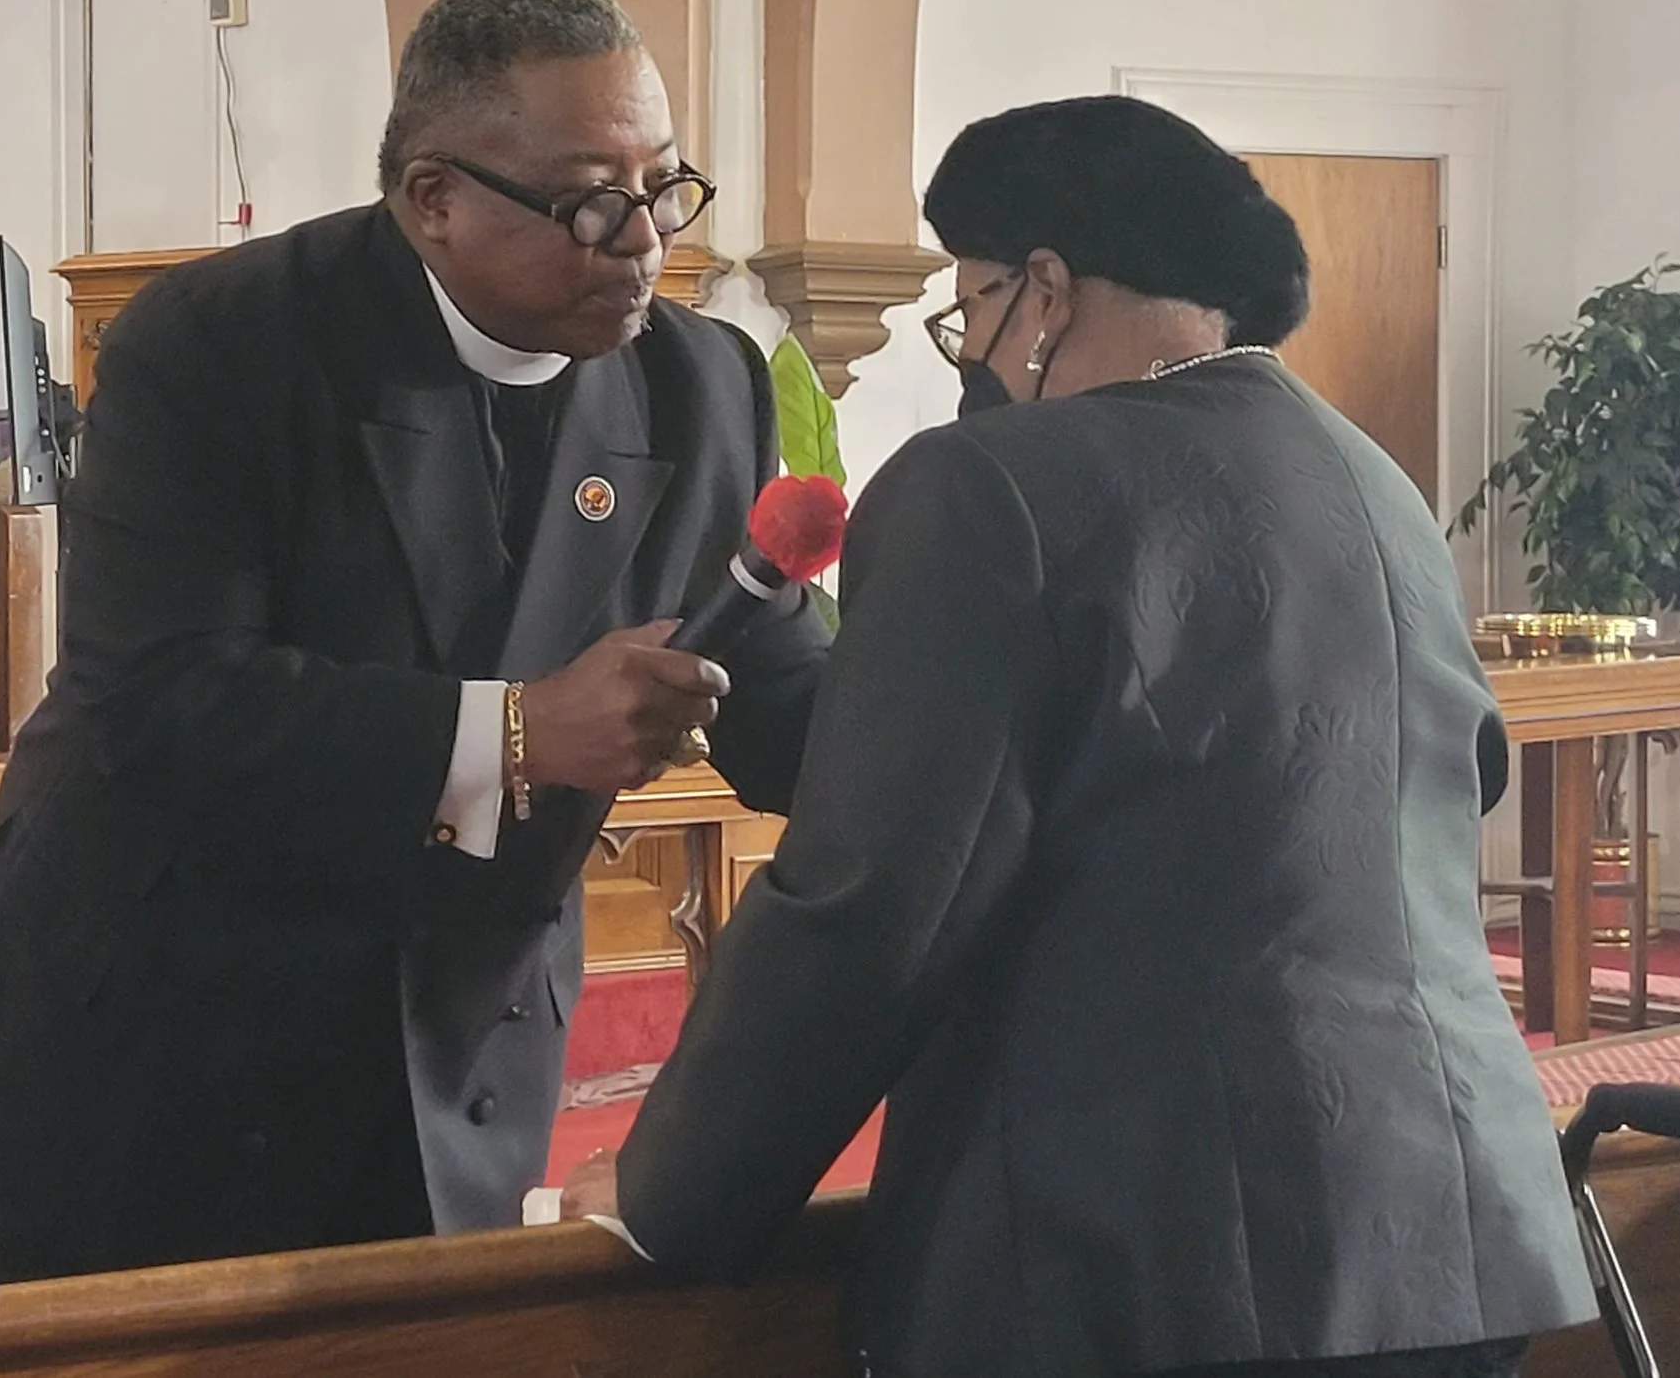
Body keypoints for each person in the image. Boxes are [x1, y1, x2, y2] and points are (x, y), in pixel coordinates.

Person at [576, 95, 1594, 1377]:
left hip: (1155, 1261)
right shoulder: (1368, 476)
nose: (972, 353)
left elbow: (876, 901)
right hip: (1449, 1239)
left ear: (1044, 292)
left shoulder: (990, 483)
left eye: (969, 307)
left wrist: (665, 1197)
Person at [0, 0, 830, 1286]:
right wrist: (519, 730)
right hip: (151, 1041)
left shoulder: (702, 381)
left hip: (461, 1045)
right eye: (589, 199)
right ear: (432, 197)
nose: (641, 239)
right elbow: (160, 697)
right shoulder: (218, 343)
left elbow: (773, 681)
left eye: (663, 184)